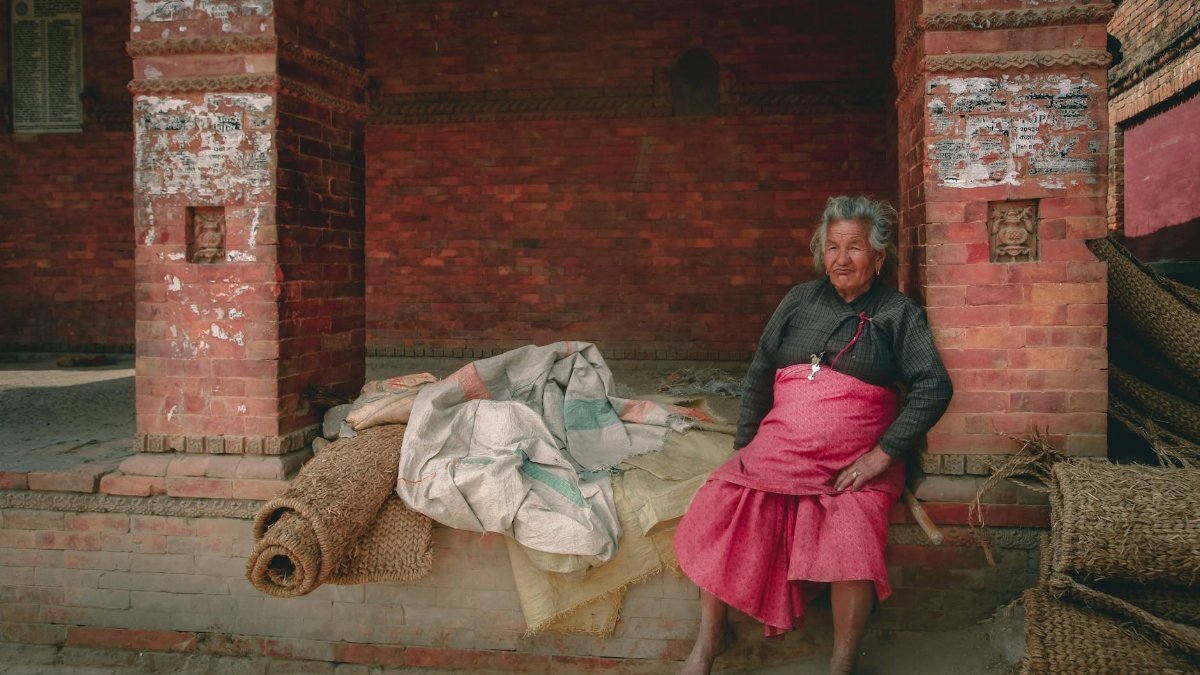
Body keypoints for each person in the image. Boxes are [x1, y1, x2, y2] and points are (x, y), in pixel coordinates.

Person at [674, 195, 953, 674]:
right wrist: (745, 448)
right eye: (832, 247)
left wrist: (882, 455)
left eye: (855, 247)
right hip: (779, 450)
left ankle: (842, 664)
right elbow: (762, 370)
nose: (841, 259)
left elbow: (934, 385)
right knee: (722, 503)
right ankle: (708, 642)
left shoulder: (898, 313)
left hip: (853, 464)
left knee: (852, 535)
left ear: (879, 258)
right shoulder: (799, 300)